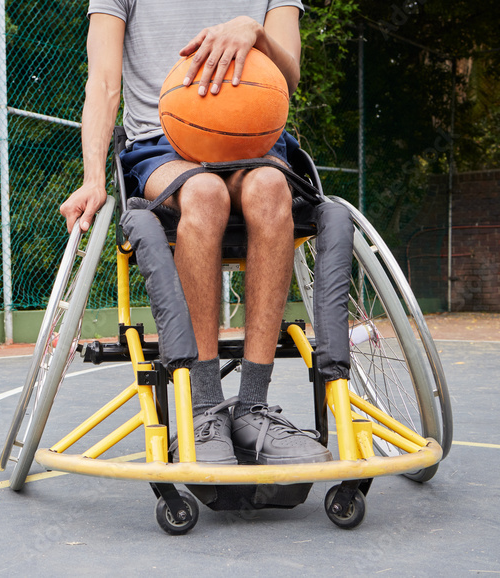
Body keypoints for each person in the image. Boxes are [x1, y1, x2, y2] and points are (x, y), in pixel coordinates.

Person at [60, 0, 331, 466]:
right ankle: (203, 407)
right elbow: (103, 83)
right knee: (205, 194)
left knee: (270, 188)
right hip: (163, 142)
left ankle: (253, 407)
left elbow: (289, 76)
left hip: (255, 137)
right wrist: (92, 177)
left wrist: (254, 32)